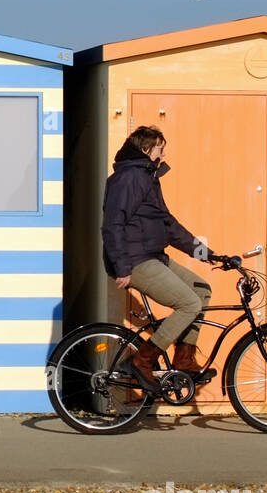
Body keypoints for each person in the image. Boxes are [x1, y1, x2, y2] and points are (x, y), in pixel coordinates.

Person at [101, 126, 236, 392]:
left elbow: (168, 225)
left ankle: (184, 360)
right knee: (188, 303)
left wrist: (206, 254)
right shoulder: (129, 178)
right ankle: (141, 360)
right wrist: (122, 267)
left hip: (153, 256)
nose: (164, 153)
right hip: (134, 260)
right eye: (161, 148)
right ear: (146, 149)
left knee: (201, 289)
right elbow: (113, 224)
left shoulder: (147, 177)